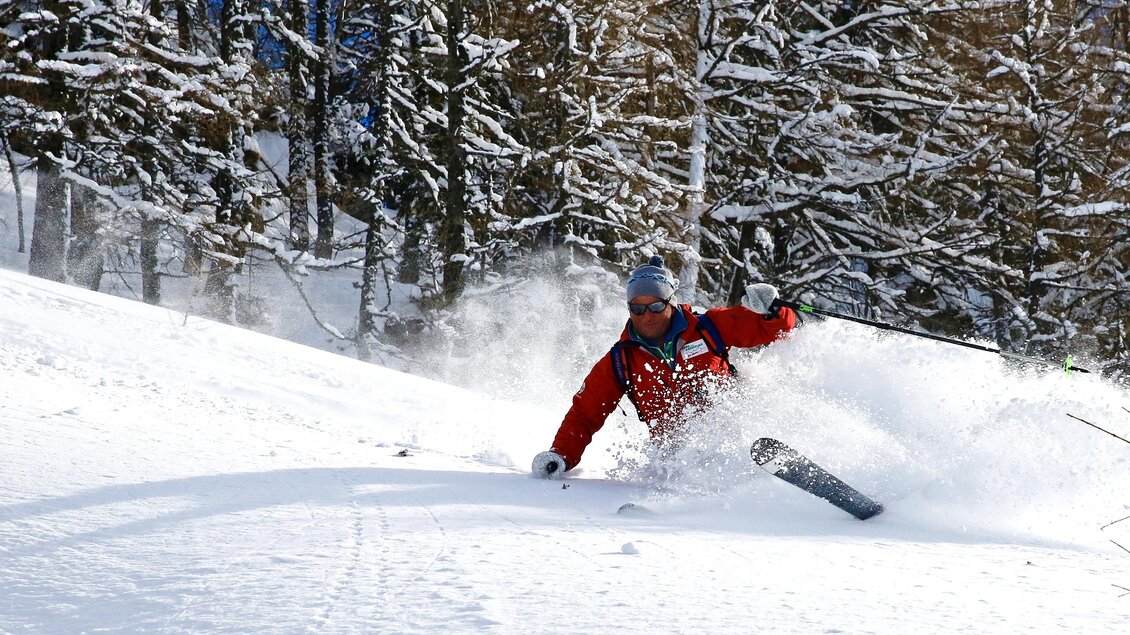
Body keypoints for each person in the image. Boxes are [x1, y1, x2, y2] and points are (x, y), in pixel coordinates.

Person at [531, 255, 797, 478]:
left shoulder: (709, 327)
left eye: (656, 306)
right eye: (637, 308)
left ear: (670, 302)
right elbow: (585, 414)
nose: (647, 316)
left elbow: (773, 329)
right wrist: (560, 455)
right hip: (678, 459)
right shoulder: (621, 361)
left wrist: (772, 311)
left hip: (734, 434)